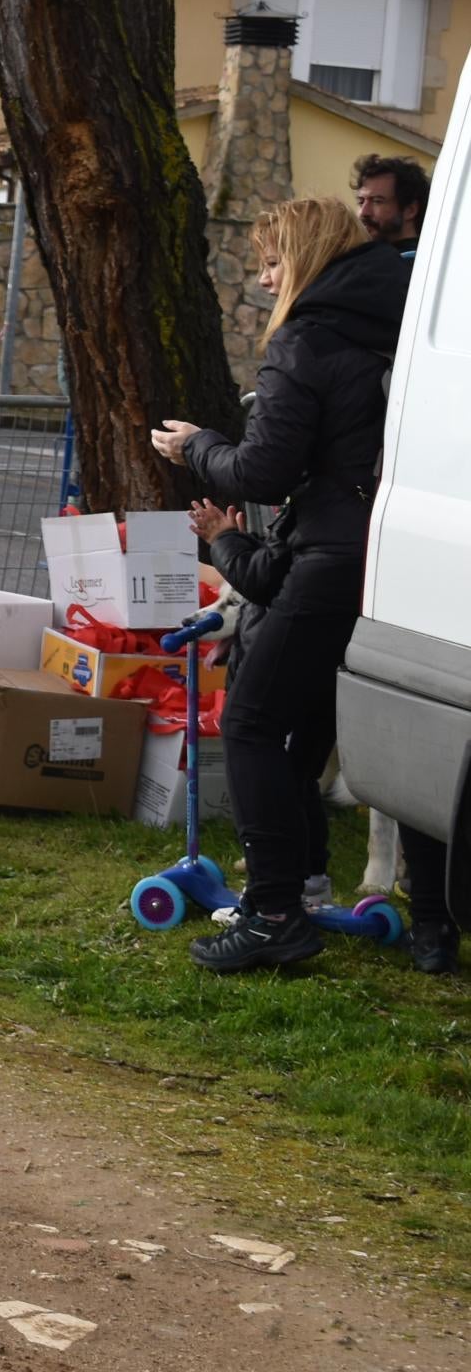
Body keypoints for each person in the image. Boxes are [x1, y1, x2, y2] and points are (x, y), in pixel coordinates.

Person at [155, 195, 445, 972]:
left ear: (305, 259)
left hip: (327, 553)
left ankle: (275, 910)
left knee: (251, 724)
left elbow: (264, 468)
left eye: (273, 263)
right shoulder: (400, 328)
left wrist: (198, 447)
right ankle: (385, 909)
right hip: (389, 557)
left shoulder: (308, 340)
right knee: (324, 727)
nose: (265, 279)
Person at [352, 153, 428, 252]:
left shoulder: (420, 263)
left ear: (410, 210)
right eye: (361, 202)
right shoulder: (365, 257)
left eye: (377, 201)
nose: (364, 212)